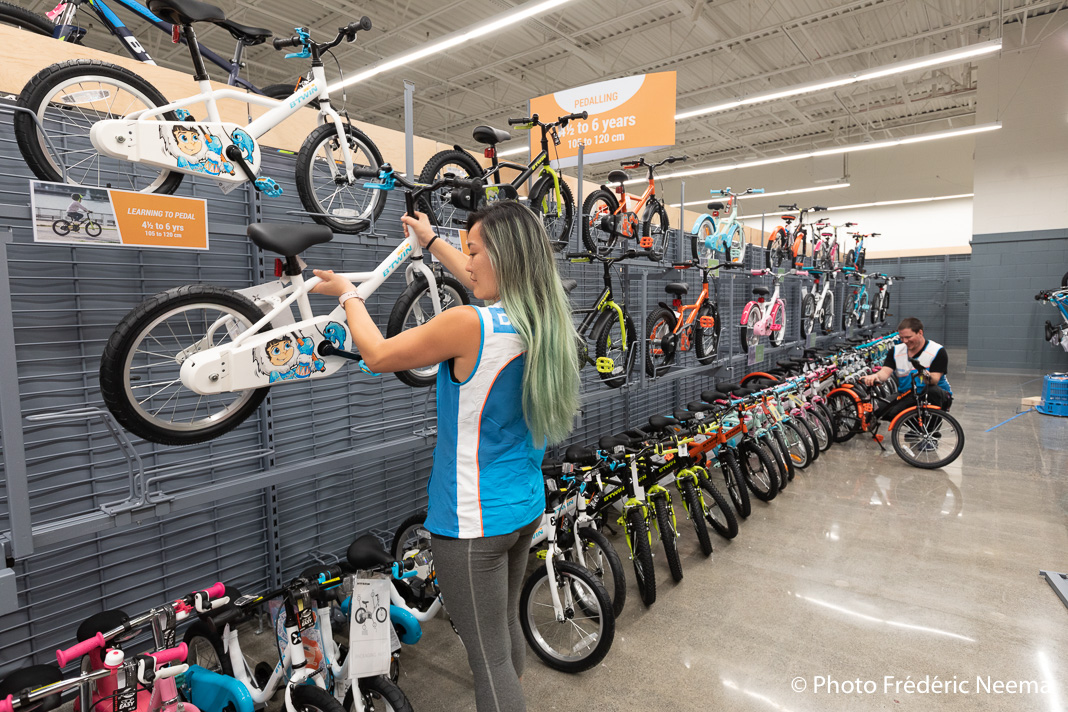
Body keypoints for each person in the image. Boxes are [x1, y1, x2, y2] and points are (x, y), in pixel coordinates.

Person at [311, 201, 580, 712]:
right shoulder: (548, 321)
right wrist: (433, 242)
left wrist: (348, 295)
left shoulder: (467, 325)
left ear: (504, 257)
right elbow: (484, 280)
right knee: (501, 638)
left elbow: (379, 354)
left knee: (490, 662)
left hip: (472, 525)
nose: (468, 262)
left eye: (474, 251)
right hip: (521, 510)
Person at [862, 317, 952, 421]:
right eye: (902, 338)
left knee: (932, 391)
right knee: (879, 410)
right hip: (907, 394)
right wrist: (875, 376)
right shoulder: (895, 351)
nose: (905, 341)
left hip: (936, 395)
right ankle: (915, 426)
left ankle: (931, 429)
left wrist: (922, 372)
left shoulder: (937, 351)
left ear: (920, 333)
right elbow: (885, 372)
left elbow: (934, 380)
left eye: (908, 337)